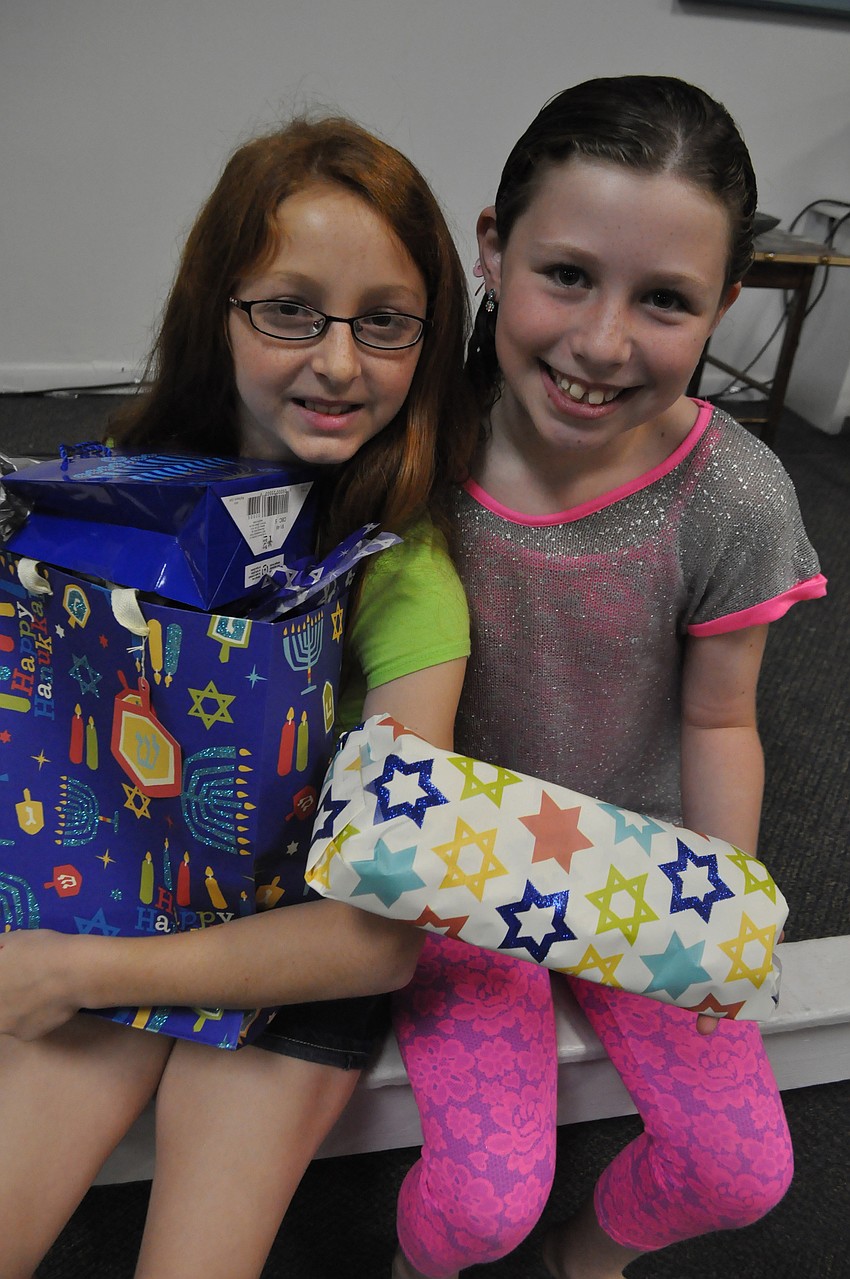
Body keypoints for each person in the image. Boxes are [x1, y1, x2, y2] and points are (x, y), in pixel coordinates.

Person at [0, 116, 478, 1279]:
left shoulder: (405, 575)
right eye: (288, 308)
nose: (337, 361)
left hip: (281, 958)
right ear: (215, 309)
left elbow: (375, 936)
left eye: (386, 322)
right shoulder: (120, 497)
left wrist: (70, 970)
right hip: (107, 897)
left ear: (432, 339)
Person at [389, 75, 826, 1279]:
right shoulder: (422, 450)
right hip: (456, 867)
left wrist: (716, 916)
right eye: (566, 274)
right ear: (492, 247)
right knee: (478, 1204)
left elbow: (721, 716)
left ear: (726, 304)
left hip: (639, 866)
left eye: (666, 300)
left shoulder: (731, 493)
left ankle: (586, 1259)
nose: (599, 342)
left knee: (742, 1168)